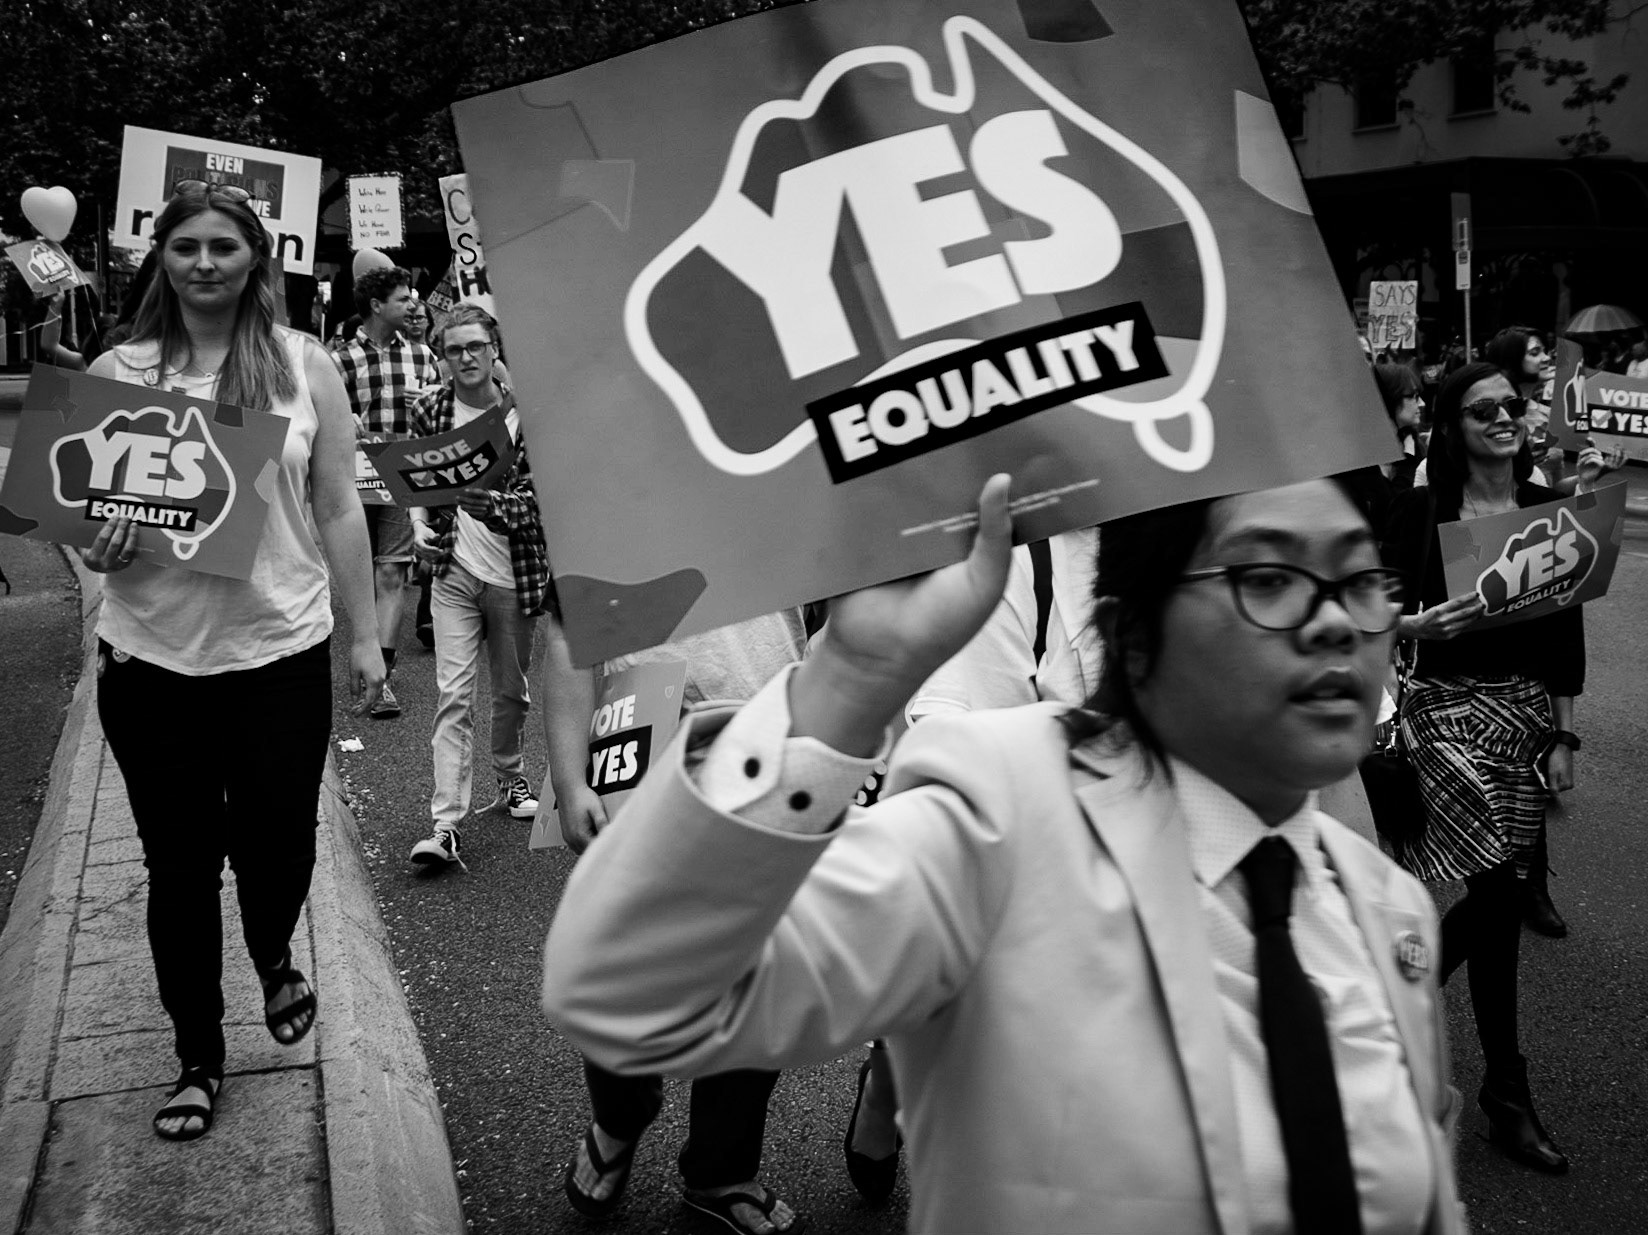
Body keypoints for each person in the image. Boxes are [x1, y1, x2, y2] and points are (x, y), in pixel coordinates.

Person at [543, 474, 1465, 1234]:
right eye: (1269, 578)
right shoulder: (1001, 814)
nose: (1337, 620)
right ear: (1135, 631)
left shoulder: (1391, 914)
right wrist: (850, 682)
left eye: (1362, 579)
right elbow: (627, 991)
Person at [80, 181, 384, 1142]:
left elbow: (338, 504)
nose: (204, 264)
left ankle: (271, 950)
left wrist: (367, 634)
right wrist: (95, 542)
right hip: (150, 659)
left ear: (258, 258)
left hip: (279, 651)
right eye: (186, 248)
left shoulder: (304, 365)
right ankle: (197, 1057)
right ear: (159, 258)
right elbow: (76, 507)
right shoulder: (119, 368)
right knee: (178, 867)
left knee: (279, 842)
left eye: (224, 247)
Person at [544, 609, 809, 1235]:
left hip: (771, 733)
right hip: (644, 735)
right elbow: (565, 628)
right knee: (627, 963)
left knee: (755, 967)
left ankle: (721, 1169)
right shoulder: (600, 505)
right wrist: (568, 775)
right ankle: (619, 1115)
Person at [1381, 362, 1586, 1174]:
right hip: (1443, 711)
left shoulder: (1547, 510)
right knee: (1498, 887)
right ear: (1453, 425)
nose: (1506, 416)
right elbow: (1369, 607)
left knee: (1496, 897)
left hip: (1524, 716)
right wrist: (1420, 619)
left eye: (1513, 403)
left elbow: (1566, 635)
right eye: (1484, 409)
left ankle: (1399, 995)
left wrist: (1565, 738)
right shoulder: (1419, 508)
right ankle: (1508, 1087)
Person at [405, 304, 547, 867]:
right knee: (453, 696)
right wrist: (419, 533)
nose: (464, 357)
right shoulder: (432, 411)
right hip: (453, 573)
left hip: (515, 575)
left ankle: (510, 776)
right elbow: (415, 488)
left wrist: (494, 507)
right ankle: (444, 825)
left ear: (494, 351)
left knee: (511, 692)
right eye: (453, 349)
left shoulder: (526, 413)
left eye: (474, 347)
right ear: (442, 357)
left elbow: (541, 504)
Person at [332, 266, 440, 717]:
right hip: (352, 483)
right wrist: (344, 419)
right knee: (361, 574)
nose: (413, 306)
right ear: (376, 306)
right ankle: (363, 651)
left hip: (403, 478)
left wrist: (433, 399)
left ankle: (384, 676)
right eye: (402, 299)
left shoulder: (422, 355)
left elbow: (445, 407)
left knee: (393, 575)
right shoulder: (338, 360)